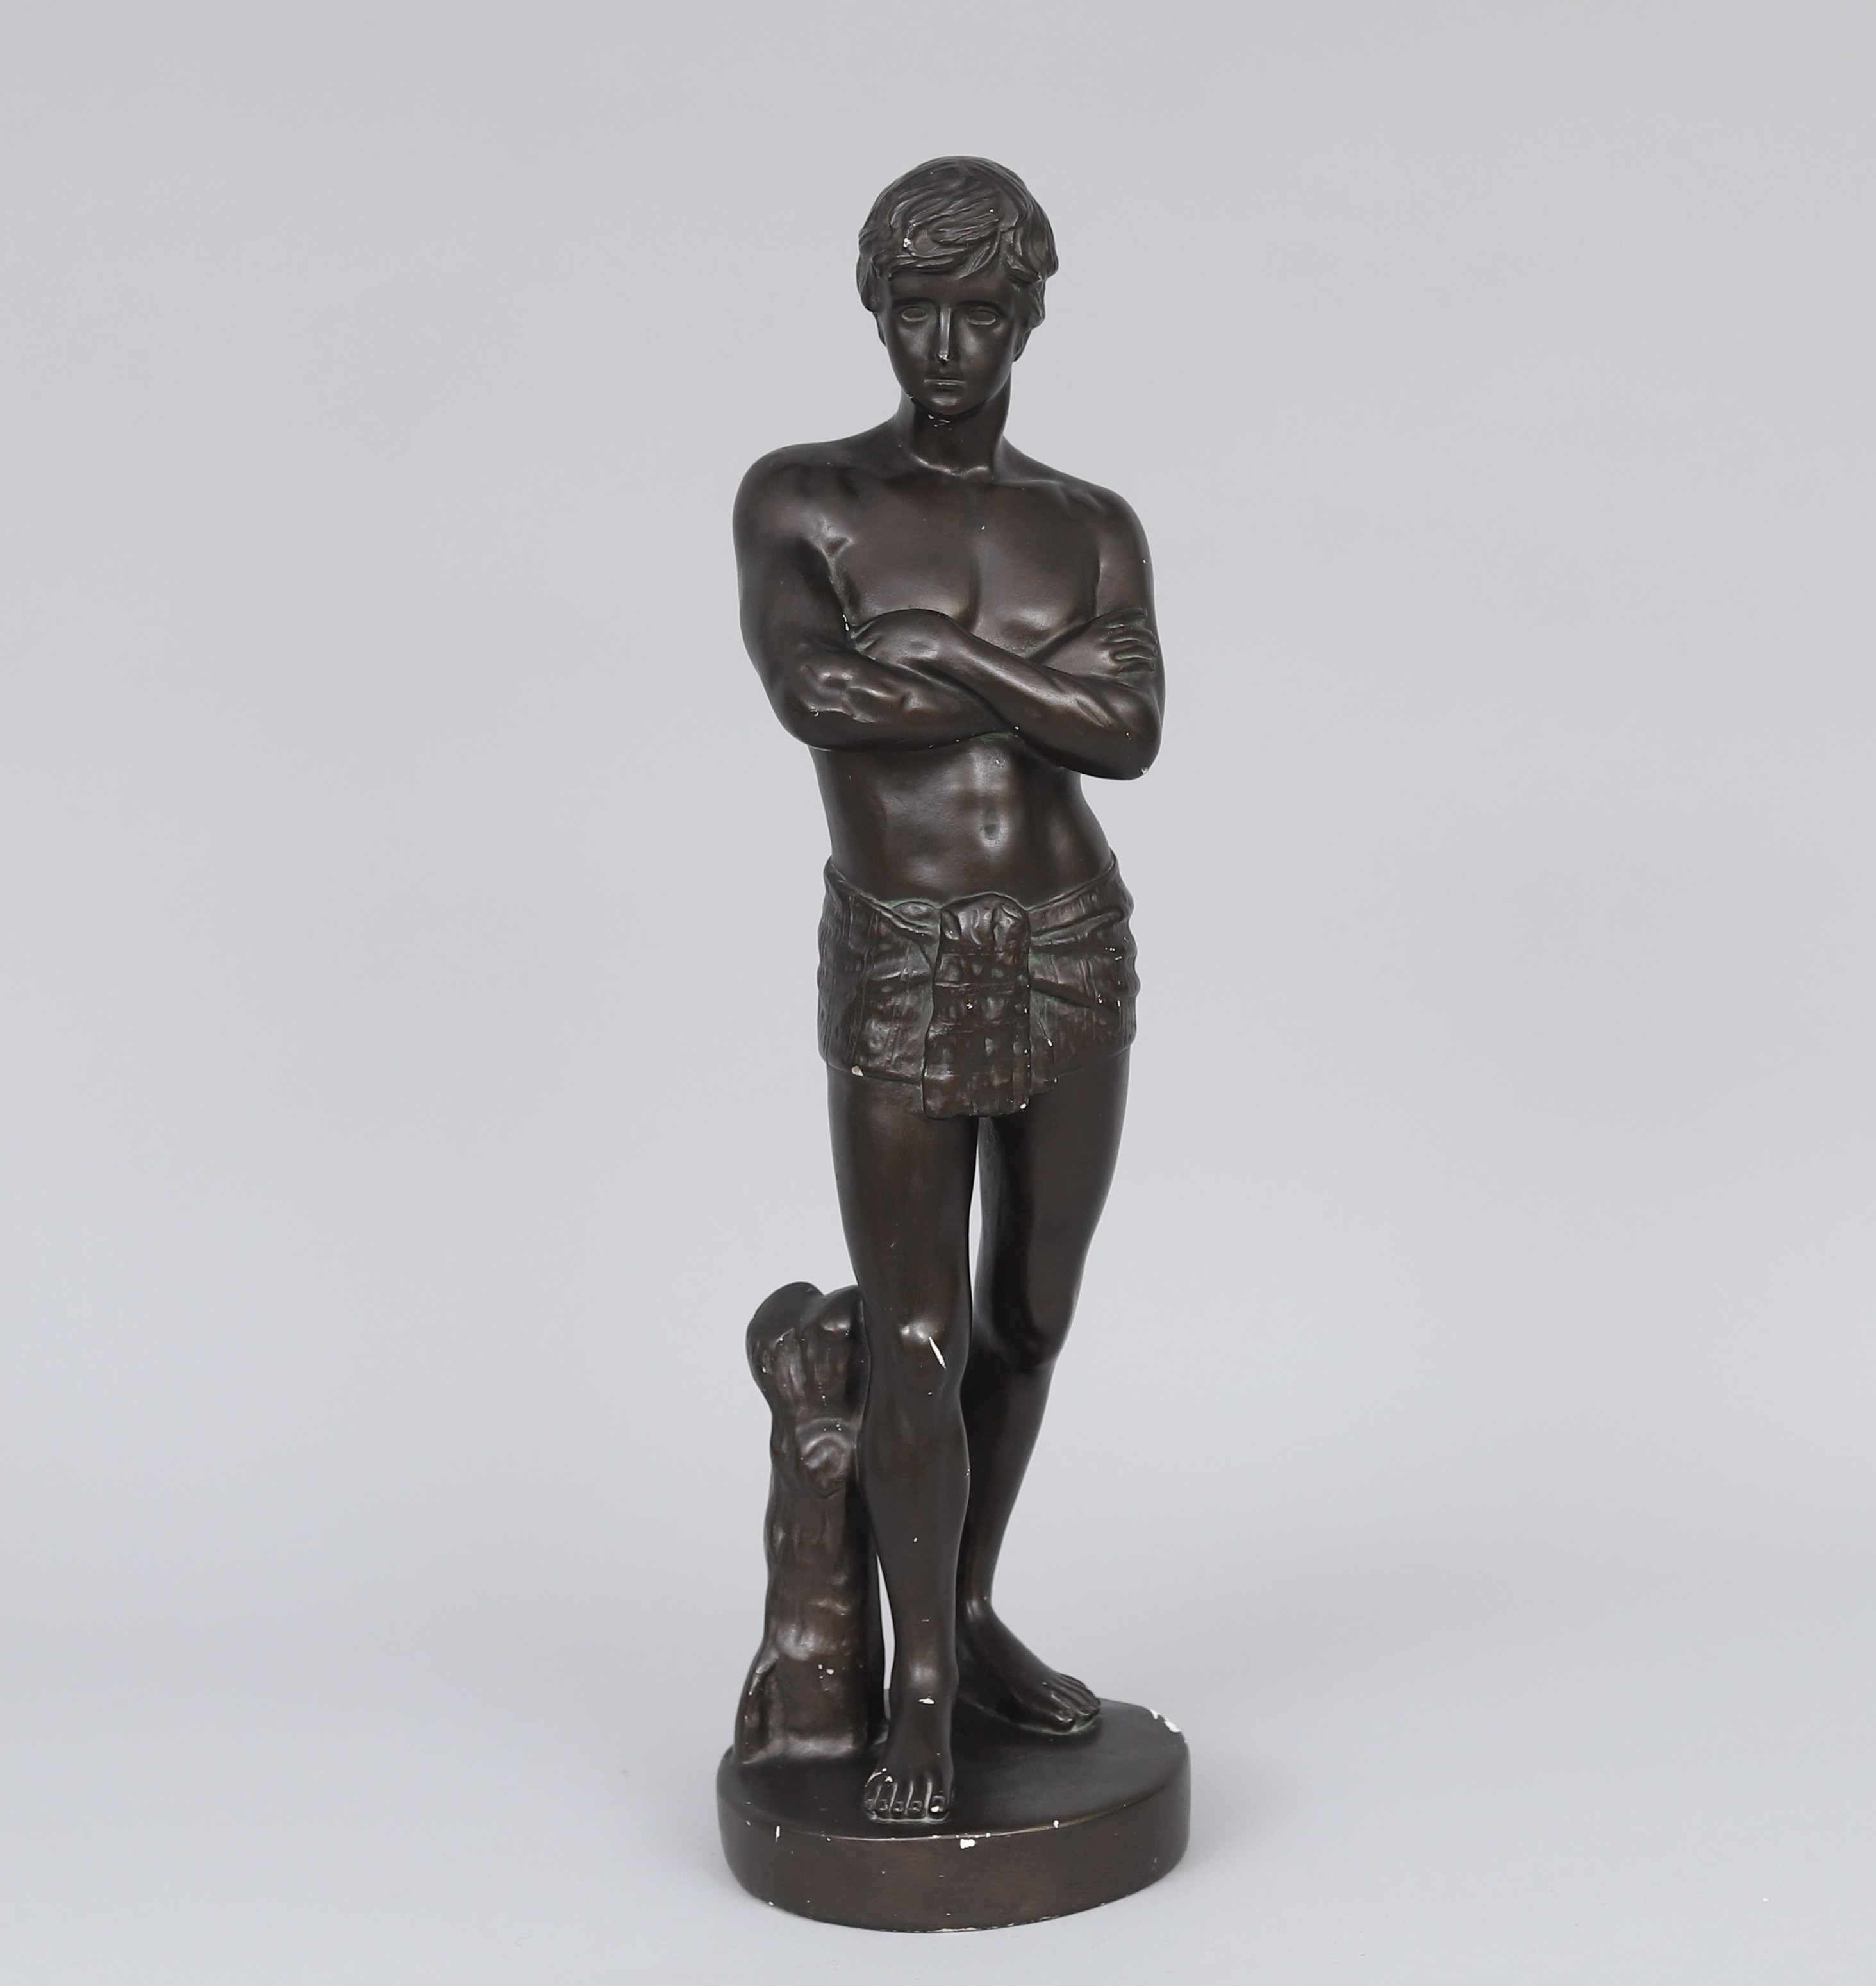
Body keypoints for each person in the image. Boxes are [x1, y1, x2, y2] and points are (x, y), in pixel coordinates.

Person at [733, 157, 1165, 1824]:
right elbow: (815, 693)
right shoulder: (805, 499)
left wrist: (951, 656)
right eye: (917, 309)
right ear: (876, 308)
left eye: (980, 311)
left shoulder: (1088, 524)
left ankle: (967, 1608)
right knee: (912, 1332)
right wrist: (1034, 692)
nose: (946, 344)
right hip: (905, 948)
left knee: (1029, 1309)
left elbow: (1130, 736)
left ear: (1027, 318)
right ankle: (915, 1683)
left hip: (1067, 940)